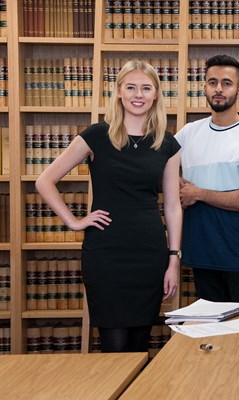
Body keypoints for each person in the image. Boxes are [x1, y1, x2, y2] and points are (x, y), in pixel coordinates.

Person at [36, 60, 182, 353]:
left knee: (140, 344)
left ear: (155, 95)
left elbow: (174, 207)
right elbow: (44, 181)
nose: (137, 94)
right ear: (118, 92)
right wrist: (74, 222)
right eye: (130, 87)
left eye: (145, 88)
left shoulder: (167, 143)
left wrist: (173, 261)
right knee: (114, 347)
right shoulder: (95, 136)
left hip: (149, 254)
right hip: (106, 254)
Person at [175, 54, 239, 303]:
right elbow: (157, 170)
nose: (219, 89)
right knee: (209, 335)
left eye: (226, 83)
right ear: (204, 87)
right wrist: (176, 185)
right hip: (200, 251)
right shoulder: (187, 134)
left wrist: (198, 193)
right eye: (212, 82)